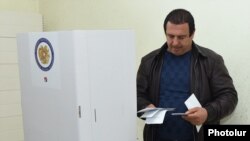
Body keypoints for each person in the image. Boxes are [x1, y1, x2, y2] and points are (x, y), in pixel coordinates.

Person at [137, 8, 238, 141]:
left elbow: (229, 96)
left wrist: (207, 113)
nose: (175, 42)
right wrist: (146, 108)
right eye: (170, 36)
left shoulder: (211, 61)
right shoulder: (149, 61)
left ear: (192, 34)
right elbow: (136, 96)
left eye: (181, 37)